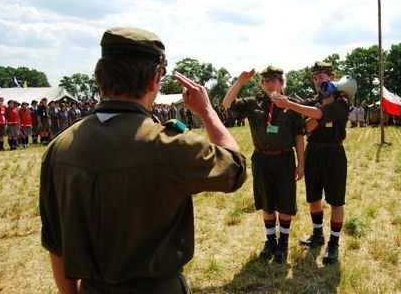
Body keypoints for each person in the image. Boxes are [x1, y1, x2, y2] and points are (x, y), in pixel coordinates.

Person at [39, 27, 247, 294]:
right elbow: (235, 168)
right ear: (154, 80)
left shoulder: (60, 147)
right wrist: (207, 112)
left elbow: (56, 243)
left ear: (100, 76)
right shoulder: (170, 145)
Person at [270, 61, 351, 265]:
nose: (318, 81)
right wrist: (318, 113)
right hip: (313, 151)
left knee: (336, 200)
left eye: (322, 77)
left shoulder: (343, 99)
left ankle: (333, 243)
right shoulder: (313, 100)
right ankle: (317, 235)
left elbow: (316, 117)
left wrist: (296, 107)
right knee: (313, 197)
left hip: (334, 152)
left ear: (332, 77)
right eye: (315, 78)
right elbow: (306, 126)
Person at [222, 66, 304, 264]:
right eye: (266, 80)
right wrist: (240, 81)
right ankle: (270, 242)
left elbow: (299, 137)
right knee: (266, 202)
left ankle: (283, 243)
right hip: (262, 159)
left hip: (284, 159)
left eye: (274, 80)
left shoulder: (292, 106)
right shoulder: (253, 103)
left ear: (282, 83)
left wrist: (301, 163)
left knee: (285, 201)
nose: (270, 84)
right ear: (262, 84)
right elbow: (227, 104)